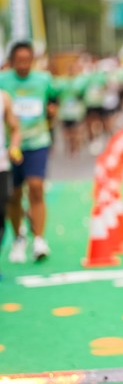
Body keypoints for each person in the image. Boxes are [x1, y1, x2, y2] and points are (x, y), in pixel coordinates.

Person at [0, 41, 56, 262]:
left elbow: (53, 101)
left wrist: (52, 111)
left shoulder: (44, 80)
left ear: (32, 60)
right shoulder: (3, 81)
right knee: (13, 195)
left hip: (37, 142)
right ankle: (19, 237)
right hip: (10, 147)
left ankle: (39, 239)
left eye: (27, 60)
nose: (23, 65)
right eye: (19, 61)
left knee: (36, 187)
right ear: (11, 61)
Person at [0, 89, 21, 278]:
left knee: (1, 213)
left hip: (1, 164)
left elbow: (14, 127)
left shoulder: (3, 97)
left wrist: (14, 145)